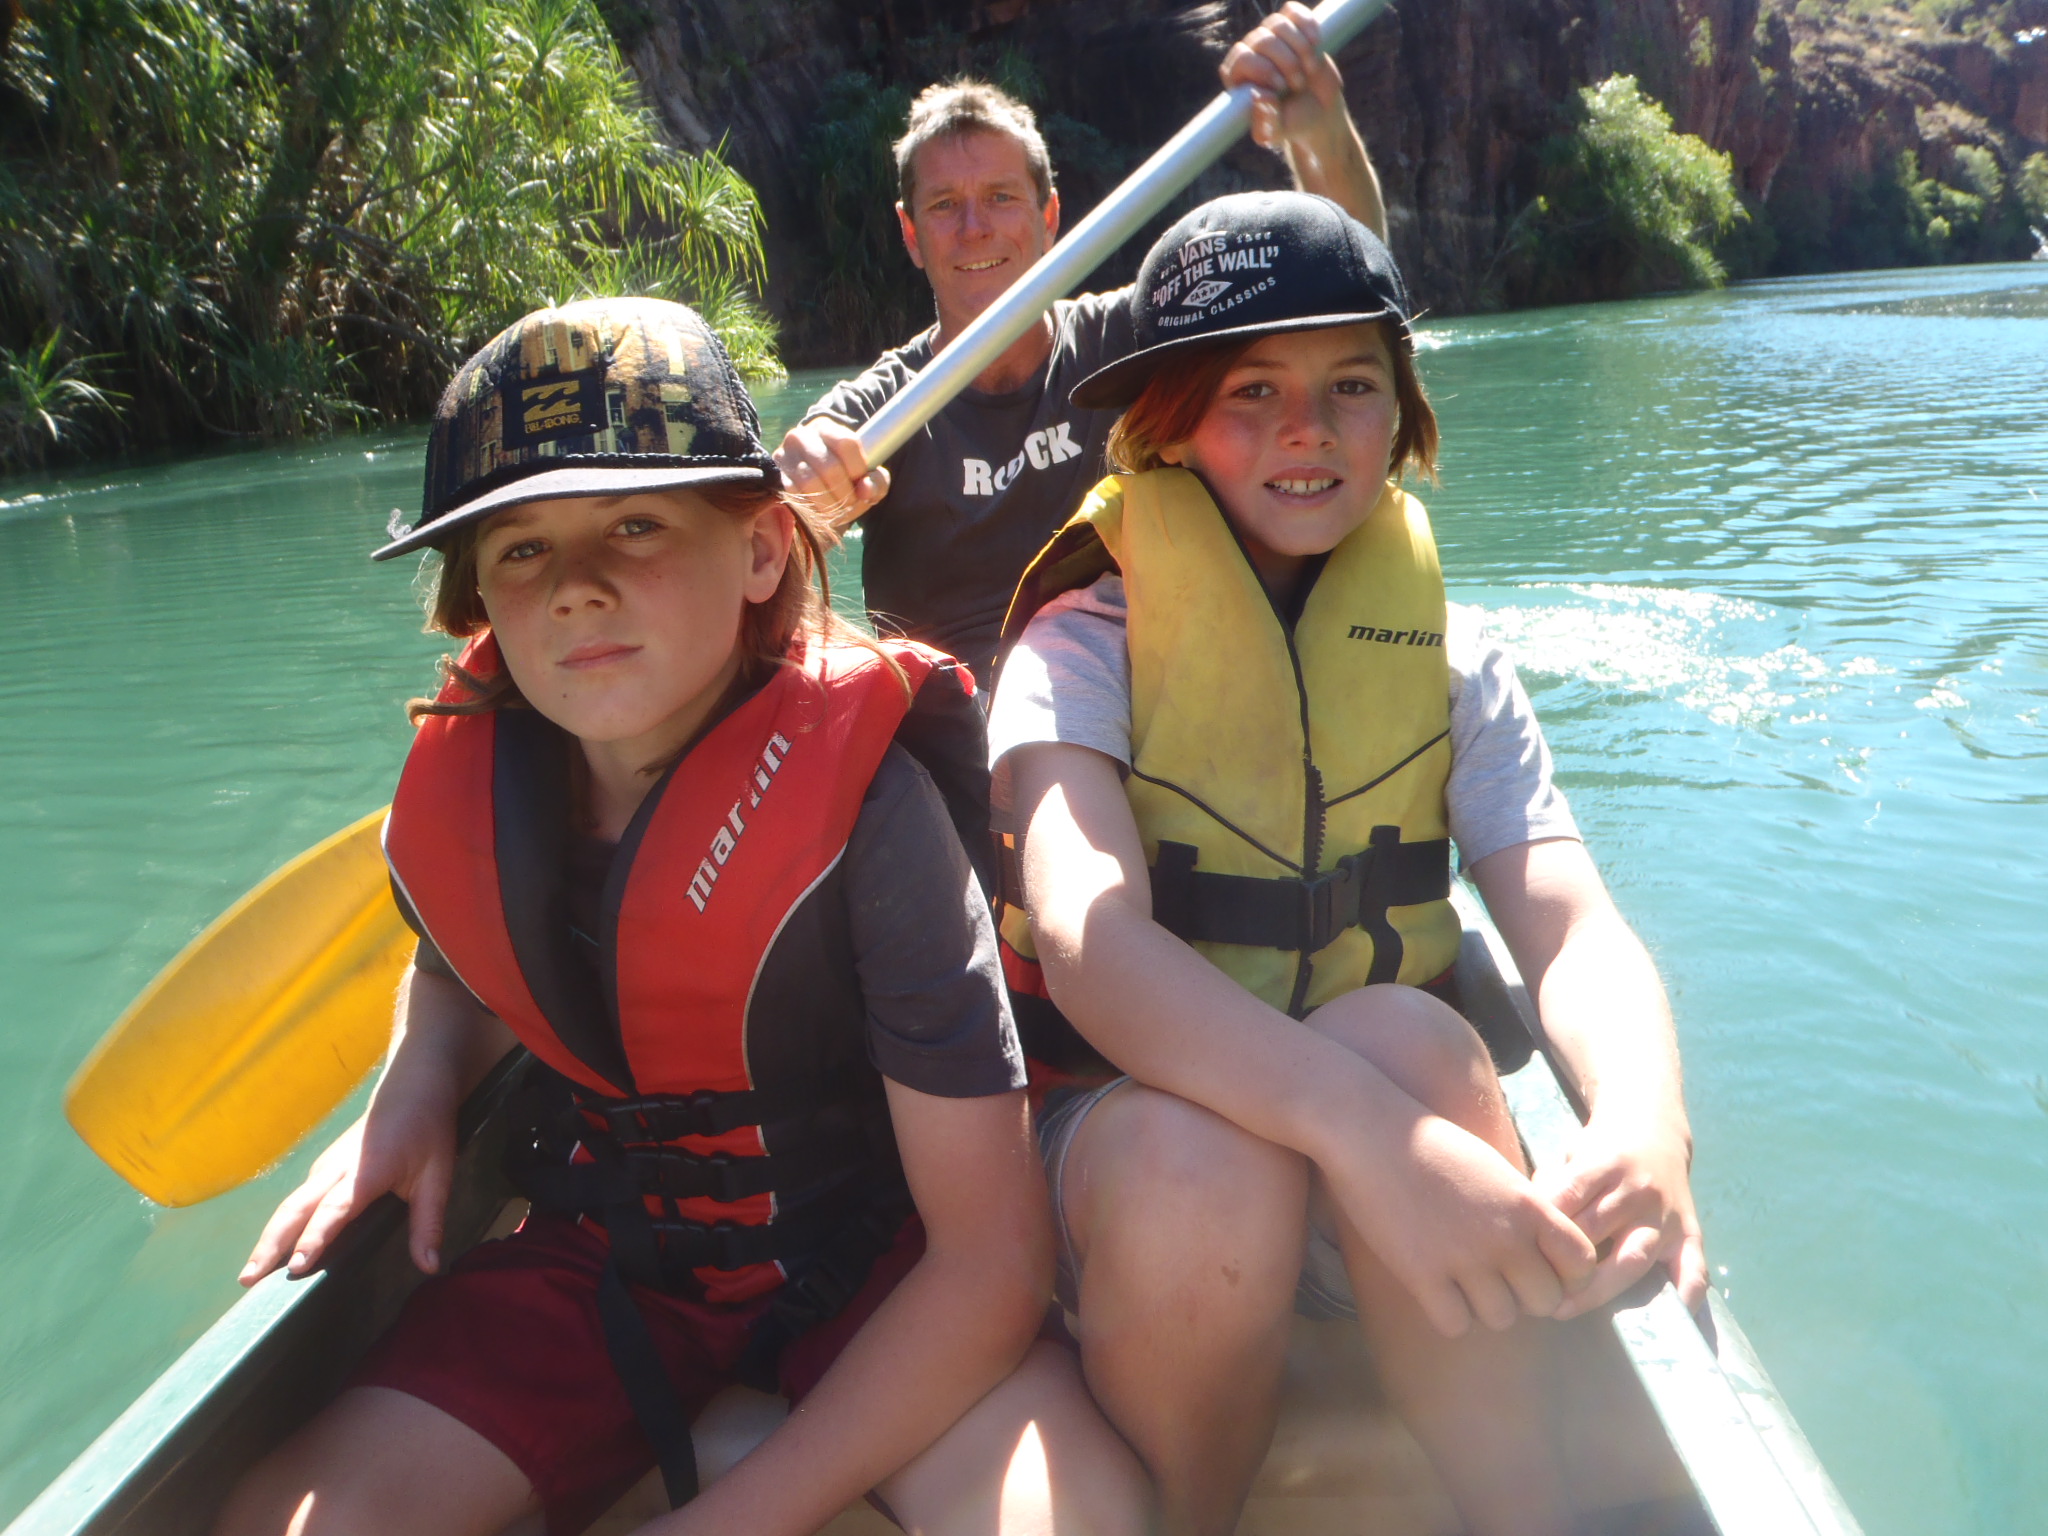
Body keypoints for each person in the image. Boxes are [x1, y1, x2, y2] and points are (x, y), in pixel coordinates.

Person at [216, 298, 1148, 1536]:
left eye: (635, 526)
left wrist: (729, 1519)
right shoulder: (478, 789)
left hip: (883, 1266)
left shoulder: (877, 819)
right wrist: (419, 1079)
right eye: (521, 550)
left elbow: (989, 1262)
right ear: (479, 599)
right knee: (278, 1519)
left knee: (1079, 1521)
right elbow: (453, 969)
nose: (575, 590)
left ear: (760, 549)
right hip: (614, 1256)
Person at [987, 193, 1709, 1536]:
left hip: (1385, 1150)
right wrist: (1362, 1132)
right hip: (1141, 1164)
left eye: (1351, 385)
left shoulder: (1452, 661)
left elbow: (1568, 927)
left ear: (1401, 413)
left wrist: (1644, 1117)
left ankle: (1516, 1513)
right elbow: (1090, 940)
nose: (1308, 427)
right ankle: (1188, 1513)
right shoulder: (1078, 651)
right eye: (1251, 390)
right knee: (1209, 1160)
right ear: (1167, 425)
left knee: (1411, 1038)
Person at [776, 2, 1389, 686]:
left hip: (1131, 694)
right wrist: (798, 488)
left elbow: (1348, 291)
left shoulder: (1129, 337)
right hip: (952, 720)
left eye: (1001, 197)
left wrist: (1321, 133)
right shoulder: (879, 408)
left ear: (1049, 217)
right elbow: (769, 543)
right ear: (912, 235)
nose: (975, 228)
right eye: (945, 205)